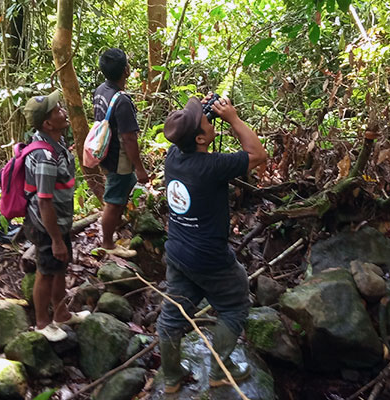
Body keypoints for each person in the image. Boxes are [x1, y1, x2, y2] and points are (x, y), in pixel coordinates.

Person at [156, 94, 268, 392]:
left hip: (178, 251)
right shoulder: (212, 166)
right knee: (234, 304)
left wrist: (204, 114)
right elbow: (257, 154)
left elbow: (190, 136)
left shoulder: (174, 155)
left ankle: (170, 377)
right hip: (208, 256)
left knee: (173, 314)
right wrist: (232, 118)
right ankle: (221, 369)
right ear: (203, 138)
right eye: (206, 120)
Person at [22, 90, 89, 342]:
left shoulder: (56, 145)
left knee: (60, 267)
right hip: (46, 226)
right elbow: (44, 202)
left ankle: (61, 313)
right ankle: (42, 322)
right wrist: (56, 239)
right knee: (46, 270)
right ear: (47, 123)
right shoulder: (45, 157)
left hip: (59, 223)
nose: (63, 112)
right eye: (57, 111)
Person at [93, 48, 149, 258]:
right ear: (126, 70)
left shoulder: (100, 90)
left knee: (123, 187)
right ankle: (107, 243)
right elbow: (128, 139)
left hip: (105, 153)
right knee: (114, 200)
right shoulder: (122, 101)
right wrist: (140, 168)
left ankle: (116, 223)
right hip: (119, 158)